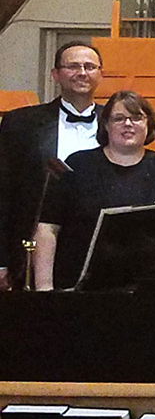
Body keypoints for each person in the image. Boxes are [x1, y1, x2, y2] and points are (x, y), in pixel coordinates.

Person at [33, 91, 155, 290]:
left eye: (137, 118)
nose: (128, 124)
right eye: (119, 118)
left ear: (148, 124)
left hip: (151, 289)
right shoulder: (78, 164)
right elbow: (48, 227)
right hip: (81, 287)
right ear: (106, 125)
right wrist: (45, 290)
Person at [0, 40, 103, 290]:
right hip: (34, 243)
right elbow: (3, 192)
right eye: (73, 66)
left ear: (101, 74)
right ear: (55, 74)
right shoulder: (20, 123)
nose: (82, 72)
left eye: (90, 67)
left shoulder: (117, 122)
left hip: (97, 246)